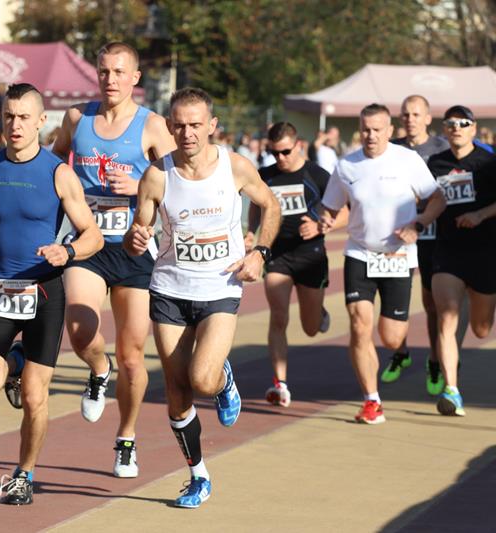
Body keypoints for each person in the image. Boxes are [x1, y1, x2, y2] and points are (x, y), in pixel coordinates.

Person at [0, 83, 103, 505]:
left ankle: (24, 475)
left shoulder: (58, 173)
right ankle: (14, 360)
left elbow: (92, 235)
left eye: (23, 117)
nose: (15, 125)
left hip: (44, 294)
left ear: (41, 122)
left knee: (34, 396)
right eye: (8, 116)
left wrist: (68, 251)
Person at [124, 87, 280, 508]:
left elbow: (271, 206)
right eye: (179, 125)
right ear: (169, 127)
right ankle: (198, 477)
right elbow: (138, 233)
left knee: (203, 380)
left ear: (212, 125)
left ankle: (223, 379)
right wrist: (134, 239)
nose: (187, 133)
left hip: (219, 288)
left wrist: (260, 253)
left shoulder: (235, 166)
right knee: (177, 393)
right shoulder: (157, 175)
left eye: (196, 125)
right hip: (169, 290)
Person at [52, 41, 176, 478]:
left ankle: (126, 439)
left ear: (135, 78)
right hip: (88, 243)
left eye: (120, 72)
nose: (111, 79)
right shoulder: (76, 119)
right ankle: (97, 368)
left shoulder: (153, 126)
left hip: (134, 249)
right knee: (80, 329)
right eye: (104, 71)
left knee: (133, 356)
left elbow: (179, 181)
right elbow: (52, 163)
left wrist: (140, 187)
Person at [319, 103, 446, 424]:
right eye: (366, 129)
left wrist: (418, 224)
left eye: (377, 129)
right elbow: (331, 208)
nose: (371, 135)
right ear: (359, 130)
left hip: (398, 257)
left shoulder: (408, 160)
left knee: (390, 337)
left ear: (390, 131)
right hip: (360, 253)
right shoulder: (346, 166)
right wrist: (324, 220)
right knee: (359, 325)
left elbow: (437, 198)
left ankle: (397, 351)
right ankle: (371, 400)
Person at [247, 122, 347, 406]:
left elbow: (345, 212)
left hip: (310, 255)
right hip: (277, 255)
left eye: (285, 152)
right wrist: (252, 232)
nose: (280, 158)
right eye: (274, 152)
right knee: (278, 317)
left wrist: (320, 226)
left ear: (299, 145)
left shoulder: (317, 175)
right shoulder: (266, 176)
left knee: (310, 327)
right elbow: (256, 206)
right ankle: (280, 383)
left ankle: (319, 313)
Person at [383, 95, 456, 394]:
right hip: (396, 234)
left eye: (416, 114)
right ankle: (400, 353)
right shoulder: (391, 148)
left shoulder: (442, 148)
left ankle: (435, 360)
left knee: (431, 303)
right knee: (393, 299)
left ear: (427, 118)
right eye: (405, 114)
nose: (410, 119)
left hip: (431, 233)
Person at [429, 105, 496, 416]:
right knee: (446, 317)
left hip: (485, 251)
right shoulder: (436, 163)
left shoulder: (489, 162)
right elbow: (423, 197)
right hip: (448, 250)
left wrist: (480, 215)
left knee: (481, 329)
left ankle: (470, 301)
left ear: (474, 128)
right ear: (444, 129)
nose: (456, 128)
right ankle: (451, 390)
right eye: (451, 123)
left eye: (463, 123)